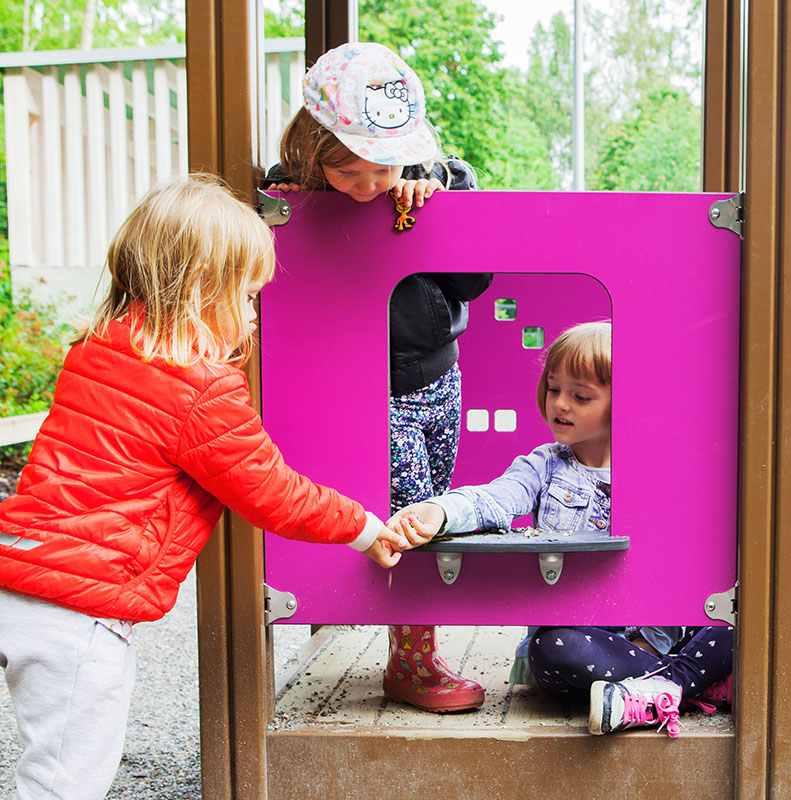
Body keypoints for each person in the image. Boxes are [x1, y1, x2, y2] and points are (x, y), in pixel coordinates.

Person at [0, 175, 408, 800]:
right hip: (80, 616)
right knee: (62, 782)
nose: (252, 313)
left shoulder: (95, 350)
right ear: (198, 293)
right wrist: (363, 526)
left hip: (19, 578)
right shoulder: (199, 390)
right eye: (246, 297)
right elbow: (272, 493)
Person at [265, 41, 492, 713]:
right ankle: (413, 664)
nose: (369, 187)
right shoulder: (297, 193)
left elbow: (473, 282)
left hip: (441, 380)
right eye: (350, 173)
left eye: (382, 169)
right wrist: (308, 195)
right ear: (314, 154)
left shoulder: (429, 181)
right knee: (413, 519)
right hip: (370, 389)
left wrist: (443, 204)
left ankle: (407, 644)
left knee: (435, 508)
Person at [388, 321, 734, 736]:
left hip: (658, 634)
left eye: (580, 396)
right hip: (581, 643)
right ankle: (686, 683)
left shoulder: (657, 473)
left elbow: (684, 565)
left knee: (741, 611)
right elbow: (494, 498)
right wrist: (440, 512)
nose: (560, 405)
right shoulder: (545, 466)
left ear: (625, 399)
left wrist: (651, 641)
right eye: (554, 389)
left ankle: (660, 688)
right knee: (552, 650)